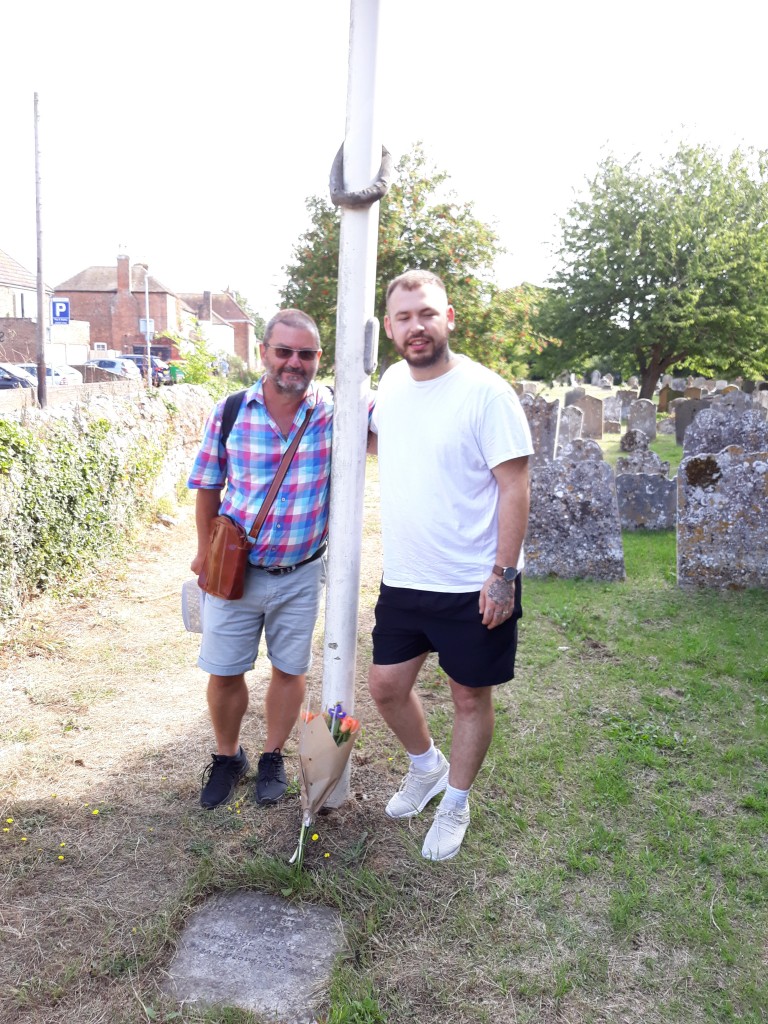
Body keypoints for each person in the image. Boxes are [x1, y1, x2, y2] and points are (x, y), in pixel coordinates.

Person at [368, 270, 533, 861]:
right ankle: (427, 768)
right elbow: (386, 440)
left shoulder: (486, 393)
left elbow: (514, 485)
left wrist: (503, 575)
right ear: (390, 328)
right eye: (405, 317)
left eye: (427, 314)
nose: (417, 327)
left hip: (473, 584)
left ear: (449, 318)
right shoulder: (389, 383)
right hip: (405, 579)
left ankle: (456, 801)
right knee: (385, 688)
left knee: (469, 699)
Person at [188, 309, 332, 810]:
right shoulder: (230, 410)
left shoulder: (334, 414)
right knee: (225, 672)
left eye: (306, 353)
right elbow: (207, 488)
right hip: (235, 574)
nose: (294, 362)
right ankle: (228, 758)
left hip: (301, 572)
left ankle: (272, 755)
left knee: (289, 670)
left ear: (319, 358)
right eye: (284, 351)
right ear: (264, 352)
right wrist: (207, 552)